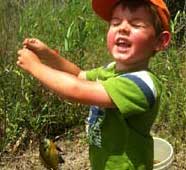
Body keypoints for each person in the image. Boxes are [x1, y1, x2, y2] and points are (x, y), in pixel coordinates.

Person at [17, 0, 171, 169]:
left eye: (136, 24)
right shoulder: (110, 70)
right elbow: (78, 75)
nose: (123, 28)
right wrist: (47, 55)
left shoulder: (143, 84)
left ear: (160, 41)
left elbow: (75, 90)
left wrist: (35, 67)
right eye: (115, 22)